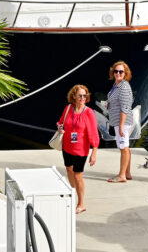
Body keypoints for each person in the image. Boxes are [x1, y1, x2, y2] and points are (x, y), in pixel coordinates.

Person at [57, 84, 99, 214]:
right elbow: (60, 122)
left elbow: (93, 133)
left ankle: (81, 204)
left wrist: (94, 153)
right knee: (69, 170)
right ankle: (72, 193)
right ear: (74, 96)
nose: (82, 98)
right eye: (80, 95)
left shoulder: (89, 113)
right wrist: (60, 128)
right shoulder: (68, 108)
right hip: (67, 146)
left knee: (78, 175)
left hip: (81, 150)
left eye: (84, 96)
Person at [106, 60, 134, 183]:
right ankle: (127, 173)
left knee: (123, 148)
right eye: (116, 71)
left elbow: (126, 107)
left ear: (125, 73)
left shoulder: (123, 86)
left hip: (121, 122)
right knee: (126, 147)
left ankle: (121, 175)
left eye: (121, 71)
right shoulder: (116, 85)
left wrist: (121, 125)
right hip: (117, 121)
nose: (118, 73)